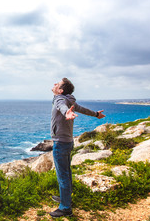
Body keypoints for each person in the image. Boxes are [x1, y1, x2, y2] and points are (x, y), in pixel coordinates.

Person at [49, 78, 105, 218]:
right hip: (68, 142)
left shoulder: (60, 100)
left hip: (61, 143)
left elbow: (62, 107)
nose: (54, 84)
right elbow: (82, 109)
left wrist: (66, 113)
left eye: (57, 84)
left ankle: (65, 208)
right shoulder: (69, 100)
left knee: (62, 175)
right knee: (66, 172)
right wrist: (96, 114)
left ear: (61, 90)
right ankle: (65, 199)